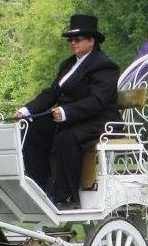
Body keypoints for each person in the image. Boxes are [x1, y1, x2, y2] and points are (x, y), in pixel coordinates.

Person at [14, 14, 120, 210]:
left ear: (91, 40)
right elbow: (51, 93)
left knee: (66, 138)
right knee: (31, 128)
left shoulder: (104, 65)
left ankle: (66, 196)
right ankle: (38, 187)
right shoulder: (68, 64)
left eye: (78, 39)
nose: (73, 43)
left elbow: (98, 100)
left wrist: (67, 111)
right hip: (71, 118)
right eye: (71, 40)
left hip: (100, 121)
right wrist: (26, 110)